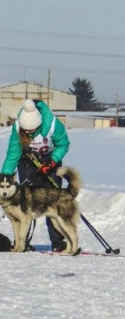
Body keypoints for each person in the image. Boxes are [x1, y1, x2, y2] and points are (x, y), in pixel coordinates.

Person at [1, 98, 71, 251]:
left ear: (38, 124)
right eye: (26, 131)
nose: (28, 133)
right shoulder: (18, 126)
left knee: (52, 202)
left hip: (50, 161)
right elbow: (13, 152)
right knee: (25, 200)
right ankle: (22, 242)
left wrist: (52, 161)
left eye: (31, 130)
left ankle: (58, 242)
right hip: (28, 161)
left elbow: (63, 144)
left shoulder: (53, 125)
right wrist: (5, 175)